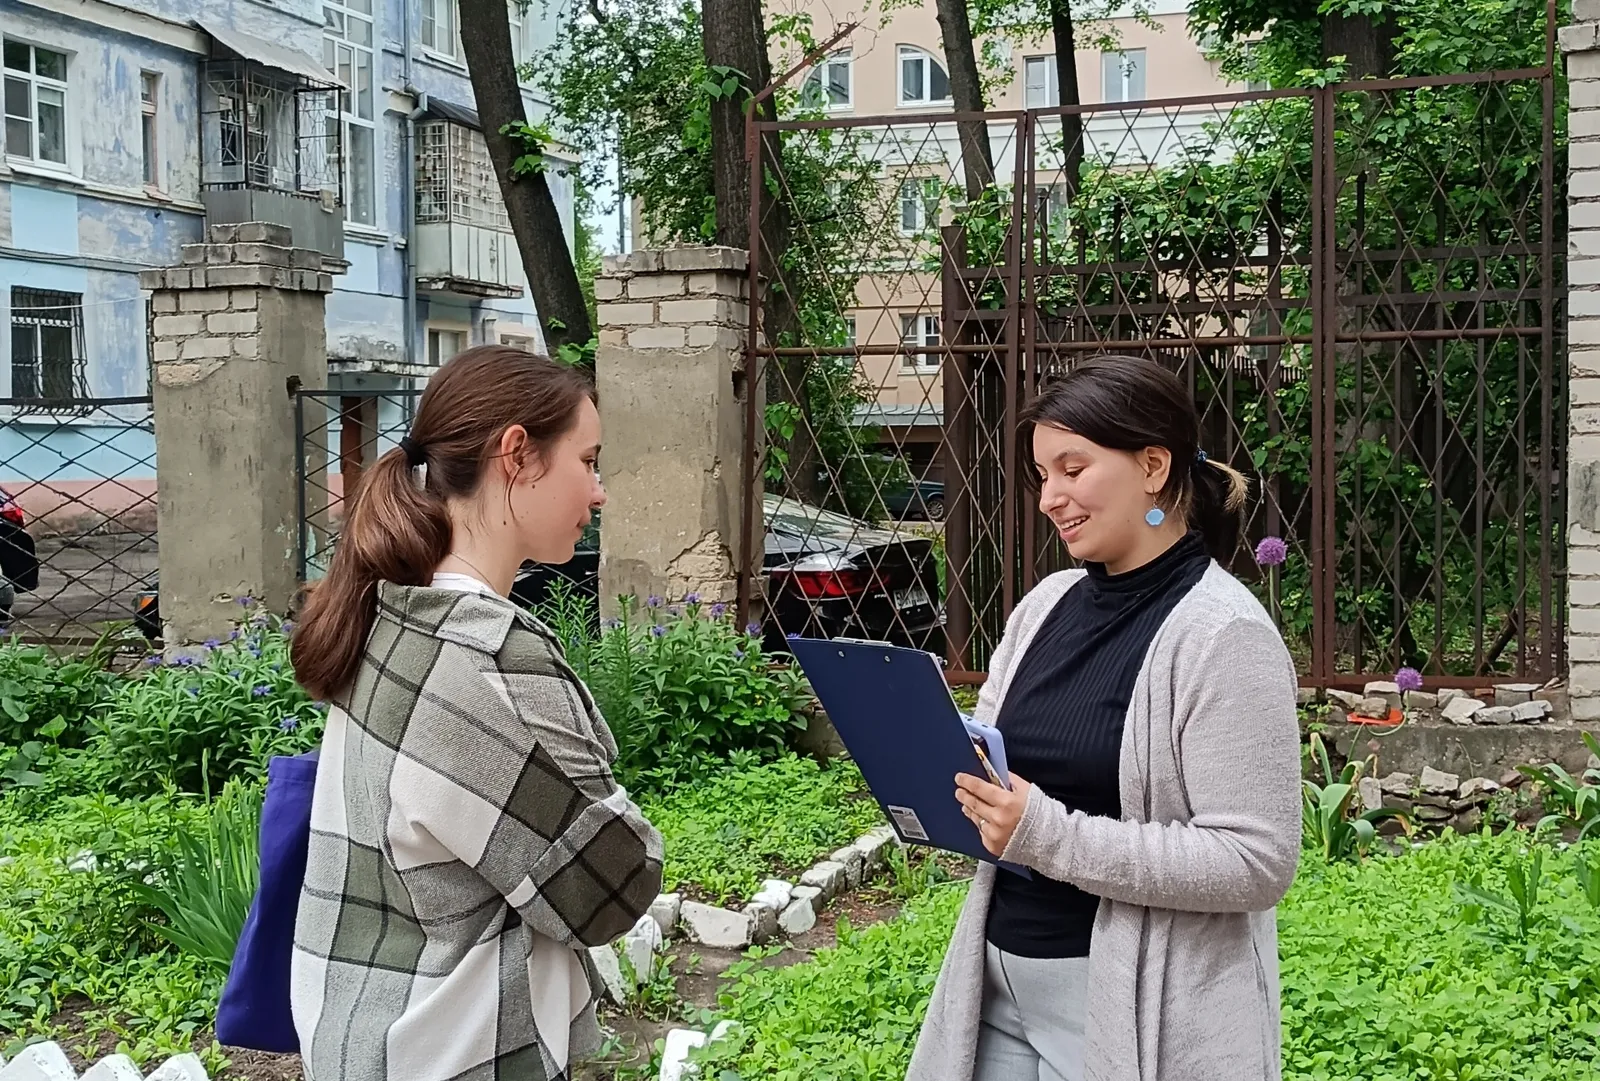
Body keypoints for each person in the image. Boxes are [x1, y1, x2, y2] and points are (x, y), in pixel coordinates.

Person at [906, 355, 1301, 1081]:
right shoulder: (1044, 606)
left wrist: (1048, 834)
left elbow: (1255, 862)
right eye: (1042, 475)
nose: (1050, 498)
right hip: (994, 981)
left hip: (1129, 1001)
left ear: (1153, 466)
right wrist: (928, 762)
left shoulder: (1224, 635)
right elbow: (993, 764)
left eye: (1073, 468)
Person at [287, 346, 664, 1081]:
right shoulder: (489, 655)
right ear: (517, 454)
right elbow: (613, 887)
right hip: (462, 1054)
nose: (599, 492)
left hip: (363, 1036)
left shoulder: (387, 611)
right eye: (588, 461)